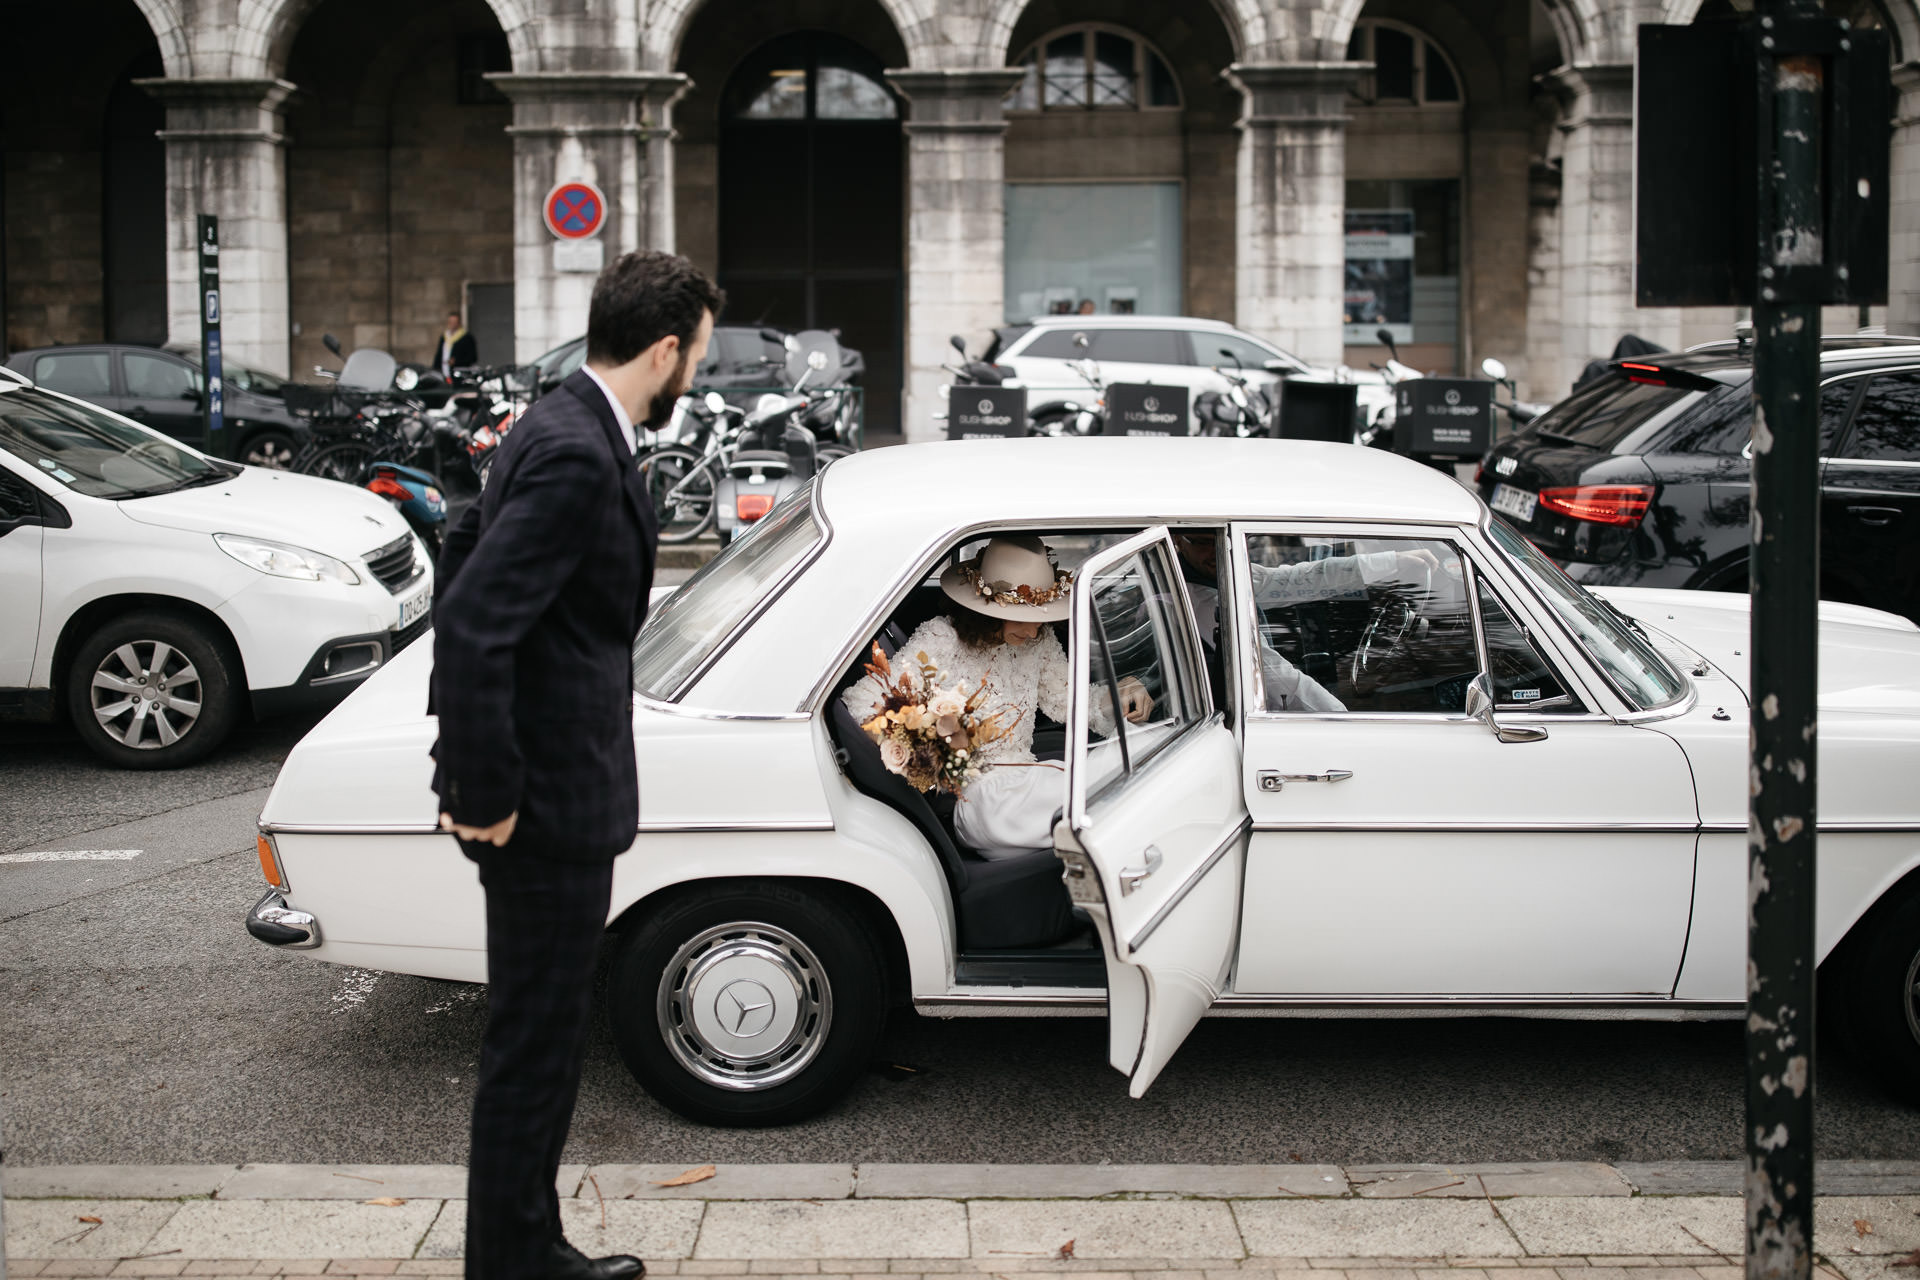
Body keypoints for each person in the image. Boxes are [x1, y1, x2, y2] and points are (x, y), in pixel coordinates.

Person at [429, 251, 721, 1280]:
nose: (697, 374)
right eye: (697, 353)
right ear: (664, 347)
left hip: (550, 789)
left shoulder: (557, 420)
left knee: (539, 1044)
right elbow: (472, 620)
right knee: (533, 1048)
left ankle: (525, 1245)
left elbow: (462, 546)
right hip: (544, 806)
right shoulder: (575, 450)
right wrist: (483, 792)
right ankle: (511, 1263)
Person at [842, 536, 1151, 857]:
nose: (1033, 631)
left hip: (1029, 784)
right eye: (1021, 617)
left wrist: (1119, 694)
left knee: (1144, 752)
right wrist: (928, 753)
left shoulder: (1038, 643)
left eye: (1039, 619)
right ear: (987, 610)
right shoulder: (942, 639)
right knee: (1118, 786)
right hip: (982, 802)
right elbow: (864, 700)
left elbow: (1069, 701)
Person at [1171, 531, 1440, 712]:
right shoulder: (1197, 601)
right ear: (1178, 542)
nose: (1216, 550)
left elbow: (1301, 579)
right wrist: (1338, 719)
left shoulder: (1223, 573)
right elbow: (1272, 675)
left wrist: (1392, 561)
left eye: (1219, 539)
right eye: (1202, 542)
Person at [435, 311, 478, 378]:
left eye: (454, 322)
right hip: (444, 374)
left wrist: (456, 361)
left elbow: (473, 357)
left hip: (459, 375)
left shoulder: (467, 338)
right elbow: (439, 355)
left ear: (459, 323)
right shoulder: (444, 337)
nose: (452, 324)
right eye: (450, 322)